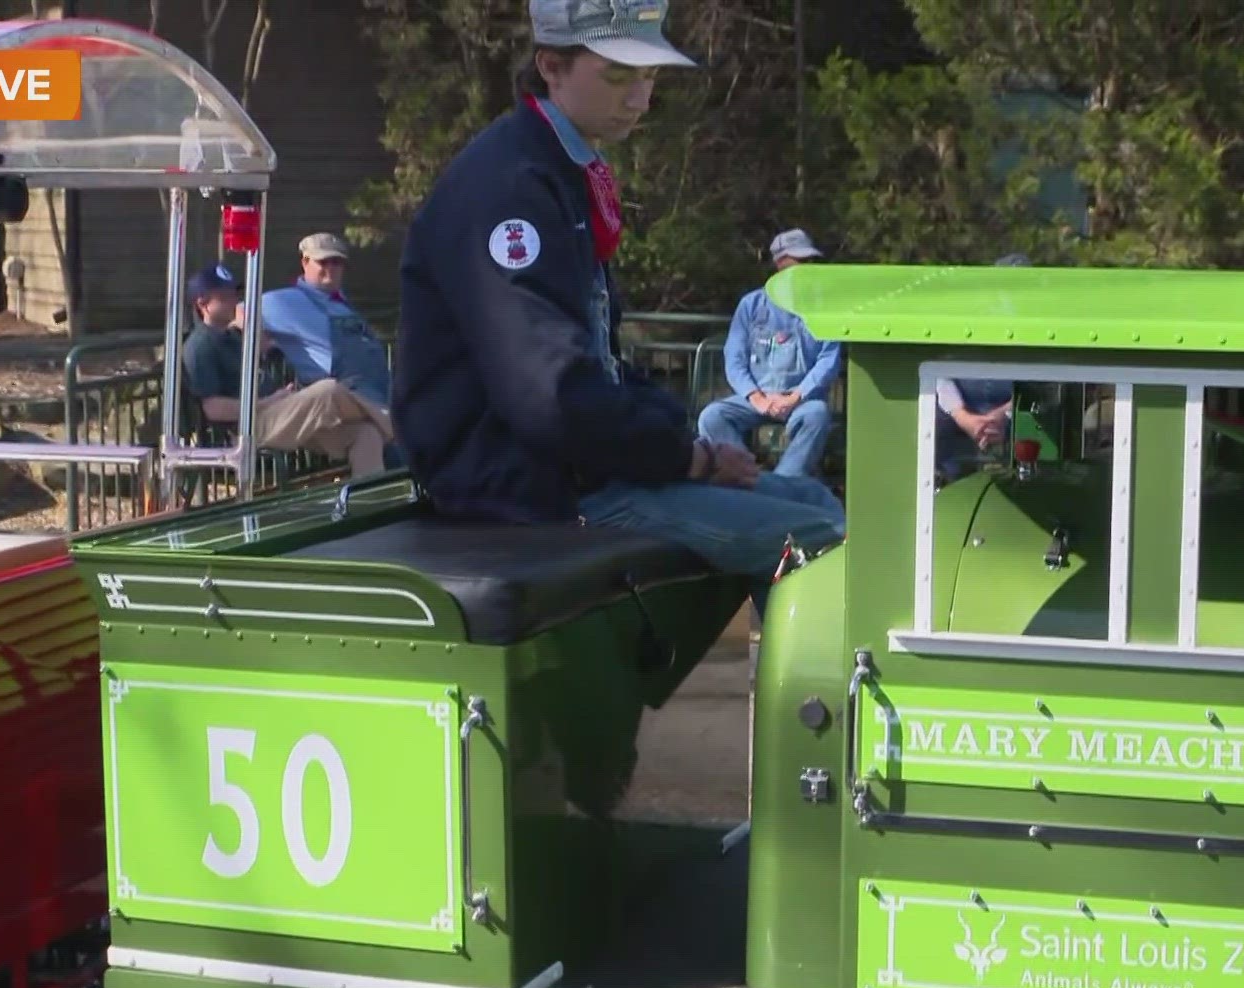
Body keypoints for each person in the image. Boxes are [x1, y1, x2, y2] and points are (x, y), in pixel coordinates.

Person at [391, 0, 845, 614]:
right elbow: (550, 397)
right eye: (617, 74)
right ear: (550, 66)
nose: (640, 98)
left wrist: (674, 439)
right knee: (824, 539)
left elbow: (598, 362)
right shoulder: (511, 186)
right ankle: (807, 708)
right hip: (527, 487)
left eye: (650, 76)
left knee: (815, 503)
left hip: (578, 467)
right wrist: (693, 459)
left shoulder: (560, 165)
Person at [182, 263, 393, 477]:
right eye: (224, 297)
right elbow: (213, 409)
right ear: (203, 304)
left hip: (278, 413)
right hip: (247, 427)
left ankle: (371, 501)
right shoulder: (200, 346)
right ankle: (398, 427)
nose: (234, 301)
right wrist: (267, 402)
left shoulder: (233, 336)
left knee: (365, 434)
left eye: (234, 293)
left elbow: (265, 344)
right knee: (328, 391)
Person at [696, 229, 842, 477]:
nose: (807, 267)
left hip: (802, 400)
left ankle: (783, 483)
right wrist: (757, 398)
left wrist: (795, 396)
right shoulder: (751, 304)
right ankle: (748, 472)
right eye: (800, 261)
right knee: (711, 416)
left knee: (817, 415)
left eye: (810, 261)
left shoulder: (825, 307)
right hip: (756, 397)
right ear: (780, 262)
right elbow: (734, 358)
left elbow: (829, 358)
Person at [260, 233, 394, 412]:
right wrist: (261, 343)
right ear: (305, 262)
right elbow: (238, 312)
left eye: (336, 262)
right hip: (339, 404)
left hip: (378, 396)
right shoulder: (286, 301)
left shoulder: (342, 303)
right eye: (323, 262)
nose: (330, 268)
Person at [933, 254, 1029, 480]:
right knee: (929, 423)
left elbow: (1042, 383)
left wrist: (1004, 414)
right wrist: (963, 417)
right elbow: (940, 375)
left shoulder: (1042, 325)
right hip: (959, 414)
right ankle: (941, 484)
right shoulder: (966, 321)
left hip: (1013, 413)